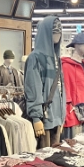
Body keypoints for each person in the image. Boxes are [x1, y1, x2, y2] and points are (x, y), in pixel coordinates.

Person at [24, 16, 66, 148]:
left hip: (57, 118)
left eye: (59, 32)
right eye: (54, 32)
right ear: (45, 33)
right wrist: (36, 117)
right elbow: (33, 88)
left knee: (56, 156)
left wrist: (62, 116)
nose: (58, 35)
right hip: (44, 118)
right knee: (43, 156)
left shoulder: (57, 59)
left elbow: (61, 89)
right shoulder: (35, 58)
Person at [61, 33, 84, 139]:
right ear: (77, 45)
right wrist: (68, 112)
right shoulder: (66, 66)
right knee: (72, 144)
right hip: (72, 115)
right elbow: (66, 91)